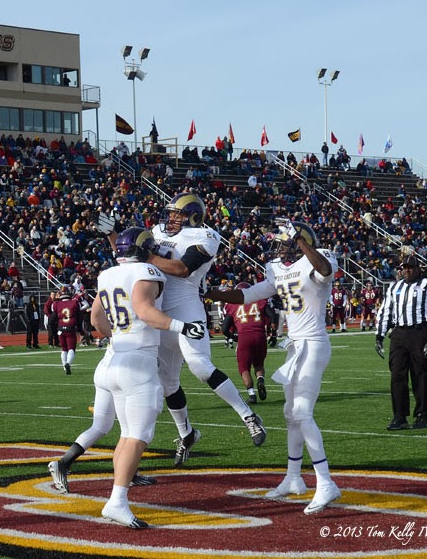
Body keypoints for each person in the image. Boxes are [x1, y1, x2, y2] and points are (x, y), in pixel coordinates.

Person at [51, 228, 205, 529]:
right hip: (139, 362)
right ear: (145, 248)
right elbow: (145, 311)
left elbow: (96, 319)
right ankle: (117, 501)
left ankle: (117, 498)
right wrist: (183, 326)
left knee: (126, 435)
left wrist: (120, 336)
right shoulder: (147, 271)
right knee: (138, 435)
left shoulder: (106, 275)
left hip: (116, 358)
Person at [206, 219, 342, 515]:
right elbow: (247, 295)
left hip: (314, 343)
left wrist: (300, 239)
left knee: (302, 413)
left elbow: (324, 270)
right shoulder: (277, 269)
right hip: (295, 346)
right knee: (290, 414)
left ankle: (326, 482)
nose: (279, 248)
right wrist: (212, 293)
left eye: (284, 242)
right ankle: (294, 477)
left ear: (299, 242)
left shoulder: (319, 258)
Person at [141, 192, 266, 463]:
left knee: (200, 366)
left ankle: (249, 416)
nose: (171, 218)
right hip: (160, 313)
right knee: (167, 384)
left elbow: (182, 269)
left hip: (187, 307)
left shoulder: (205, 236)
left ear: (194, 217)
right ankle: (186, 434)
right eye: (170, 213)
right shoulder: (158, 231)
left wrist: (147, 257)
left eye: (177, 214)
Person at [375, 253, 427, 430]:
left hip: (419, 332)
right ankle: (399, 416)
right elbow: (385, 311)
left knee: (419, 374)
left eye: (410, 268)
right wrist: (379, 335)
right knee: (397, 375)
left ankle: (422, 415)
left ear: (417, 269)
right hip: (399, 333)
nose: (406, 271)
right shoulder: (394, 287)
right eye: (404, 268)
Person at [222, 282, 270, 405]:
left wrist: (233, 337)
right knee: (259, 364)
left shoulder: (232, 304)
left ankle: (252, 395)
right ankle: (260, 380)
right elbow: (272, 316)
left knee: (244, 368)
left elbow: (224, 329)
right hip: (260, 336)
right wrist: (273, 332)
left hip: (244, 337)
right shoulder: (260, 300)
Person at [50, 285, 81, 374]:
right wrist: (80, 329)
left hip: (61, 329)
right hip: (70, 329)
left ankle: (64, 366)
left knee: (64, 349)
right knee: (71, 348)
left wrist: (54, 331)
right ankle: (68, 364)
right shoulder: (75, 303)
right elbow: (79, 318)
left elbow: (51, 320)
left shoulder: (56, 304)